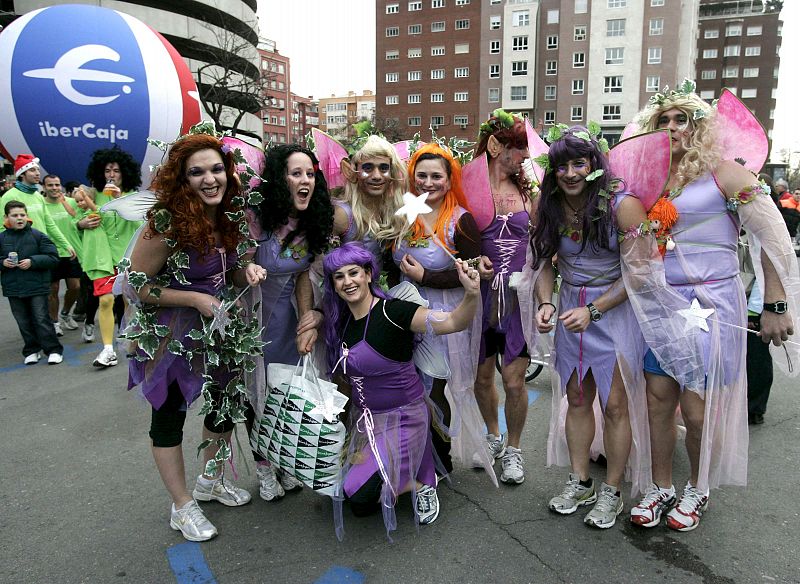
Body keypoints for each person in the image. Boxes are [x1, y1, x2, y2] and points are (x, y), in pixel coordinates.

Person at [621, 83, 798, 532]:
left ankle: (697, 487)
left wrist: (775, 303)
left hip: (713, 302)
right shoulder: (650, 181)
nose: (673, 127)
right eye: (664, 120)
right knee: (658, 399)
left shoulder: (726, 173)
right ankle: (661, 485)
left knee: (696, 409)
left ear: (699, 127)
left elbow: (771, 238)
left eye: (683, 119)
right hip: (662, 302)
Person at [123, 132, 266, 542]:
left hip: (221, 328)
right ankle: (182, 505)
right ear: (181, 179)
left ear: (228, 172)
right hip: (170, 332)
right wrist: (193, 298)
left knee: (224, 405)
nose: (210, 179)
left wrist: (247, 272)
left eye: (217, 169)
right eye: (197, 172)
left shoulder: (229, 216)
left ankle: (211, 479)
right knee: (168, 416)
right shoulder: (164, 223)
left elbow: (232, 272)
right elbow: (135, 285)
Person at [530, 126, 649, 529]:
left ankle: (612, 491)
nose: (569, 173)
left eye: (578, 163)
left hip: (613, 311)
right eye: (561, 165)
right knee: (577, 398)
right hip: (570, 311)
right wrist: (547, 302)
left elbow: (640, 274)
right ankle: (580, 481)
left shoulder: (624, 204)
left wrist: (594, 311)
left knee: (615, 405)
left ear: (595, 165)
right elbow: (544, 262)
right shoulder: (546, 205)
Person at [322, 242, 480, 538]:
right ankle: (406, 470)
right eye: (339, 276)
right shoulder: (340, 324)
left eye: (354, 273)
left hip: (406, 418)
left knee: (360, 494)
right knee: (349, 495)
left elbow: (454, 322)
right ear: (334, 285)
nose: (348, 282)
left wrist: (471, 292)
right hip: (368, 423)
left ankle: (422, 483)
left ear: (369, 274)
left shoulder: (395, 312)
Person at [391, 143, 484, 474]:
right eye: (422, 176)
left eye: (436, 177)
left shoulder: (460, 221)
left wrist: (426, 275)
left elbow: (472, 273)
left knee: (434, 383)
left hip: (443, 312)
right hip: (401, 311)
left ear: (449, 180)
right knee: (407, 384)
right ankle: (410, 453)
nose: (428, 183)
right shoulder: (404, 213)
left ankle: (439, 457)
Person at [248, 144, 334, 500]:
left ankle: (283, 460)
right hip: (252, 321)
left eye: (310, 174)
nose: (305, 181)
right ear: (279, 180)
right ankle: (264, 467)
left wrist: (307, 321)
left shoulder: (311, 222)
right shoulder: (255, 216)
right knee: (256, 395)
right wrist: (247, 268)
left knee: (283, 392)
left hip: (286, 322)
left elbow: (302, 276)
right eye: (295, 174)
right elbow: (235, 267)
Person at [471, 110, 534, 484]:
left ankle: (514, 448)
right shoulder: (469, 186)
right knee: (481, 379)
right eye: (519, 148)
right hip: (478, 300)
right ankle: (493, 435)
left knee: (513, 381)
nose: (525, 156)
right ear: (496, 146)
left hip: (516, 302)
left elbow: (545, 241)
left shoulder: (530, 191)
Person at [79, 148, 143, 368]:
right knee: (105, 300)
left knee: (129, 301)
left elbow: (141, 226)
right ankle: (107, 350)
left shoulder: (133, 197)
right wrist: (80, 223)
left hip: (128, 256)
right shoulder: (90, 195)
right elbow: (77, 221)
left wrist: (120, 200)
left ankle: (130, 340)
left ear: (124, 173)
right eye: (107, 170)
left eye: (116, 170)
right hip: (102, 258)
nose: (111, 174)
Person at [0, 200, 63, 364]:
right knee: (23, 321)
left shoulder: (38, 235)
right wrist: (2, 263)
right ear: (6, 218)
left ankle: (53, 350)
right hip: (13, 287)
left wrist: (33, 261)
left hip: (37, 286)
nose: (19, 218)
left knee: (41, 318)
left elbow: (53, 258)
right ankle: (31, 350)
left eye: (22, 215)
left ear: (27, 216)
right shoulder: (2, 238)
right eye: (15, 215)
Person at [0, 155, 75, 262]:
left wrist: (66, 244)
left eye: (38, 170)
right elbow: (2, 227)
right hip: (21, 252)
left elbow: (49, 224)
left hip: (41, 249)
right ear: (22, 174)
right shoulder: (10, 196)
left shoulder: (38, 196)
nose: (37, 173)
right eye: (32, 170)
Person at [41, 174, 82, 335]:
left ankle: (65, 313)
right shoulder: (41, 205)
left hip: (71, 252)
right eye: (50, 185)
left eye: (57, 185)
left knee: (75, 287)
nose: (54, 188)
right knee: (53, 289)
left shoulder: (71, 203)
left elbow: (83, 217)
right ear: (44, 187)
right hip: (51, 254)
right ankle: (54, 321)